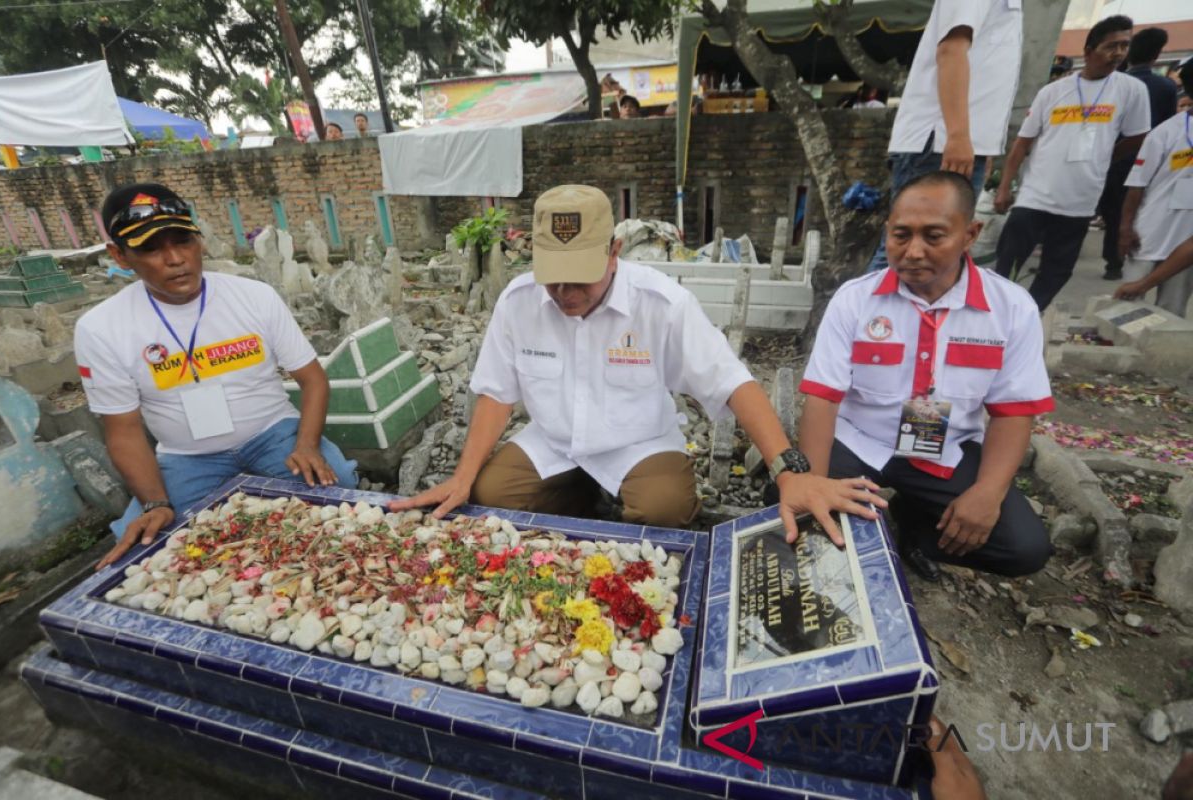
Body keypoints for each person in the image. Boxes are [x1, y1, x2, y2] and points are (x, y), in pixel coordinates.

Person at [389, 184, 885, 544]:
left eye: (579, 278)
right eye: (553, 278)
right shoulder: (518, 302)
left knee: (663, 509)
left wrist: (788, 470)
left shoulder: (661, 303)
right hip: (555, 442)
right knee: (490, 492)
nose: (565, 294)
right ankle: (581, 501)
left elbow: (732, 383)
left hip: (638, 443)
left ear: (614, 253)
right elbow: (497, 393)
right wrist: (461, 475)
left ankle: (616, 498)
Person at [75, 183, 358, 568]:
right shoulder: (101, 328)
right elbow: (122, 430)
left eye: (184, 240)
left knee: (337, 483)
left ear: (199, 240)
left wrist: (307, 445)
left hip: (272, 435)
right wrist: (156, 501)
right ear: (120, 256)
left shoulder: (254, 297)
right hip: (187, 456)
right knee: (148, 545)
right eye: (151, 248)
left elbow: (312, 379)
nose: (175, 259)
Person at [801, 171, 1054, 581]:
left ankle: (912, 532)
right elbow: (823, 398)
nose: (913, 251)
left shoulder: (1011, 309)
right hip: (860, 440)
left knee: (1023, 548)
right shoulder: (855, 300)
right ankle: (866, 531)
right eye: (901, 235)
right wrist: (811, 484)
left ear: (970, 234)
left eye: (933, 236)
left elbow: (1013, 412)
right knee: (788, 500)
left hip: (947, 447)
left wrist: (987, 494)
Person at [993, 15, 1150, 312]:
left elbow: (1139, 135)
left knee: (1057, 270)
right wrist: (1004, 187)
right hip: (1035, 196)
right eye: (1110, 46)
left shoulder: (1131, 91)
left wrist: (1104, 157)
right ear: (1088, 51)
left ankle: (1027, 316)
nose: (1118, 53)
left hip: (1079, 201)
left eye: (1124, 46)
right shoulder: (1052, 92)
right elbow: (1022, 144)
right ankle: (997, 315)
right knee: (1007, 263)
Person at [867, 0, 1023, 273]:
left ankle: (893, 316)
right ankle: (861, 316)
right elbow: (951, 51)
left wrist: (980, 148)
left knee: (935, 255)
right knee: (906, 253)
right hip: (939, 141)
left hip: (955, 141)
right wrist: (958, 135)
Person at [1097, 27, 1178, 281]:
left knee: (1110, 209)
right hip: (1143, 161)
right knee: (1131, 210)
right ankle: (1123, 259)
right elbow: (1167, 126)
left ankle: (1113, 260)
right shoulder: (1165, 86)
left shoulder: (1113, 83)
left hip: (1111, 157)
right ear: (1156, 56)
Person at [1116, 60, 1193, 316]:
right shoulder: (1166, 133)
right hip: (1148, 235)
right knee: (1125, 310)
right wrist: (1126, 228)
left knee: (1171, 314)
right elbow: (1136, 185)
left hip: (1186, 242)